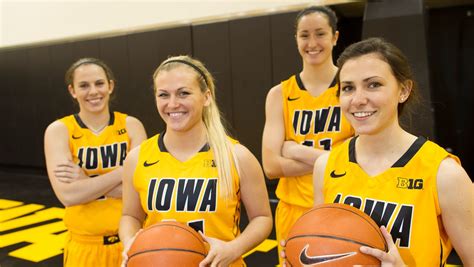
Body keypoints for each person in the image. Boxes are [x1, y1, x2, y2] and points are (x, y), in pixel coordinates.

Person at [313, 37, 473, 266]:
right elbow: (323, 245)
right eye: (348, 88)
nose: (358, 99)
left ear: (404, 91)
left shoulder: (444, 174)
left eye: (373, 84)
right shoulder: (325, 166)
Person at [119, 55, 272, 267]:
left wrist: (232, 249)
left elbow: (262, 218)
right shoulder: (137, 158)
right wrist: (130, 243)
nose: (172, 104)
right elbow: (130, 215)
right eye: (163, 95)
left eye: (183, 93)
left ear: (206, 96)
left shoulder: (237, 156)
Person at [261, 6, 354, 263]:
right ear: (296, 40)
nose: (312, 43)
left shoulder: (351, 87)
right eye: (304, 35)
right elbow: (270, 166)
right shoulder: (279, 94)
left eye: (320, 34)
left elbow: (357, 161)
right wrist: (331, 158)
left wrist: (296, 150)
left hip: (342, 206)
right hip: (293, 210)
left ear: (335, 37)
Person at [44, 58, 147, 267]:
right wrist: (124, 171)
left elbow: (142, 189)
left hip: (132, 242)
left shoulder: (131, 125)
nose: (93, 91)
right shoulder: (59, 130)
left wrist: (87, 182)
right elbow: (69, 195)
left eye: (99, 83)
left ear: (110, 86)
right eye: (84, 85)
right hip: (85, 248)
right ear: (73, 91)